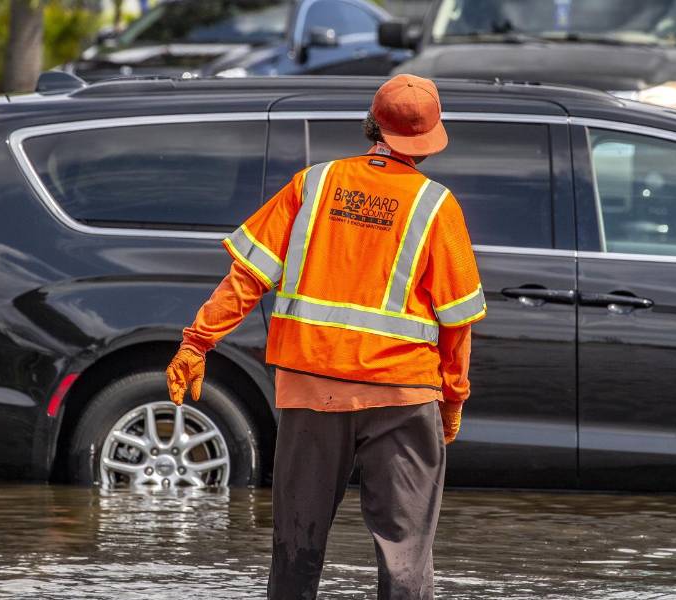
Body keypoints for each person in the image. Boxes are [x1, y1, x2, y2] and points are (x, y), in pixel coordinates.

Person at [165, 74, 486, 600]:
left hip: (310, 392)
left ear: (371, 125)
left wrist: (196, 343)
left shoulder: (313, 185)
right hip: (403, 396)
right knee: (405, 556)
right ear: (428, 140)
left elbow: (247, 279)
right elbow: (457, 323)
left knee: (296, 546)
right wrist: (453, 400)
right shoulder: (436, 207)